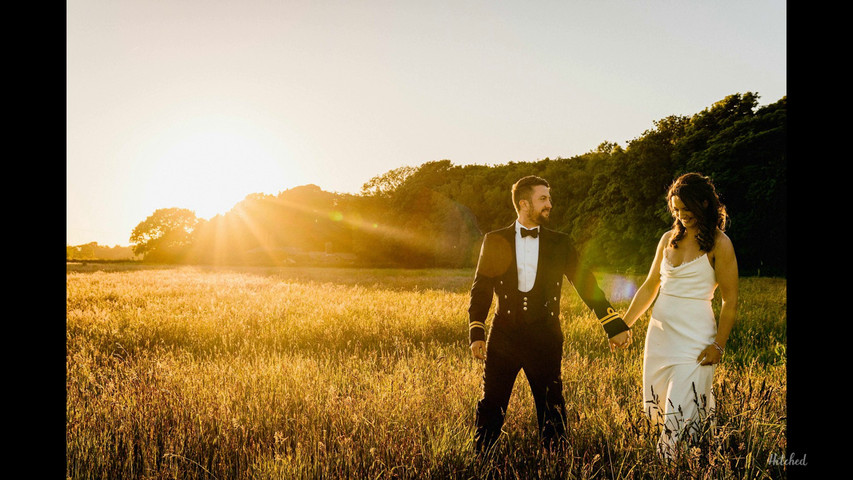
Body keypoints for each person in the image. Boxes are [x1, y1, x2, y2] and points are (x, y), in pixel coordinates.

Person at [468, 175, 631, 453]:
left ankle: (555, 461)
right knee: (491, 403)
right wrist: (476, 331)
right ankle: (483, 460)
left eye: (549, 198)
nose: (549, 204)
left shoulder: (560, 243)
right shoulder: (494, 240)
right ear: (523, 203)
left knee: (551, 405)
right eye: (543, 198)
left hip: (545, 335)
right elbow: (481, 286)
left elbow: (585, 284)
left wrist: (613, 324)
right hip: (504, 335)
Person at [621, 172, 738, 459]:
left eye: (688, 209)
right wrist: (623, 324)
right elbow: (650, 287)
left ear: (705, 204)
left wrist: (718, 345)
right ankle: (690, 461)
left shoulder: (720, 244)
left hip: (696, 342)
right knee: (661, 410)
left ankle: (669, 466)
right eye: (677, 209)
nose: (682, 215)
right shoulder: (667, 240)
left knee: (679, 416)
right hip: (661, 338)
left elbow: (730, 299)